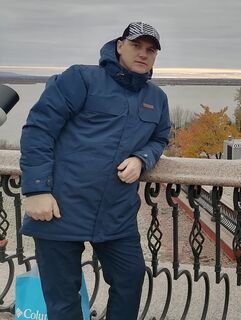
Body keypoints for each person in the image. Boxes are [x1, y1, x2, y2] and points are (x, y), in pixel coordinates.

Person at [19, 22, 171, 320]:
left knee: (130, 279)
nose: (143, 54)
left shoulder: (156, 98)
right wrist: (37, 189)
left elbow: (160, 138)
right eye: (136, 46)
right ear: (119, 46)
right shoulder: (81, 78)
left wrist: (142, 158)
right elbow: (39, 129)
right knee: (63, 300)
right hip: (59, 208)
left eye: (150, 50)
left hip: (116, 213)